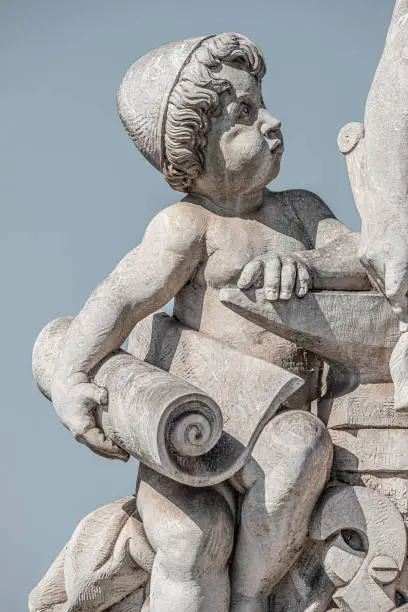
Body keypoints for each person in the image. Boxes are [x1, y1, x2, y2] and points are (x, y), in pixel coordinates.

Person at [48, 33, 370, 611]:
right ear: (195, 148)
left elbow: (361, 260)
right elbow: (122, 299)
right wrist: (71, 378)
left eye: (263, 103)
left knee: (302, 444)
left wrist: (307, 264)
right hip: (195, 431)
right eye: (244, 114)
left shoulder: (301, 211)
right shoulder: (187, 227)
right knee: (193, 541)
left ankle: (250, 599)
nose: (272, 123)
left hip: (276, 431)